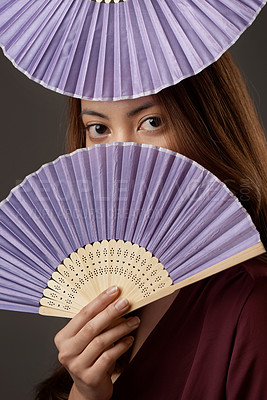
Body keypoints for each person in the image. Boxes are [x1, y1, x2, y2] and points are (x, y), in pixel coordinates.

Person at [35, 52, 267, 400]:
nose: (121, 155)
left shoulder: (252, 303)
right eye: (99, 129)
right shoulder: (110, 281)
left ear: (208, 125)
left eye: (151, 122)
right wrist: (85, 393)